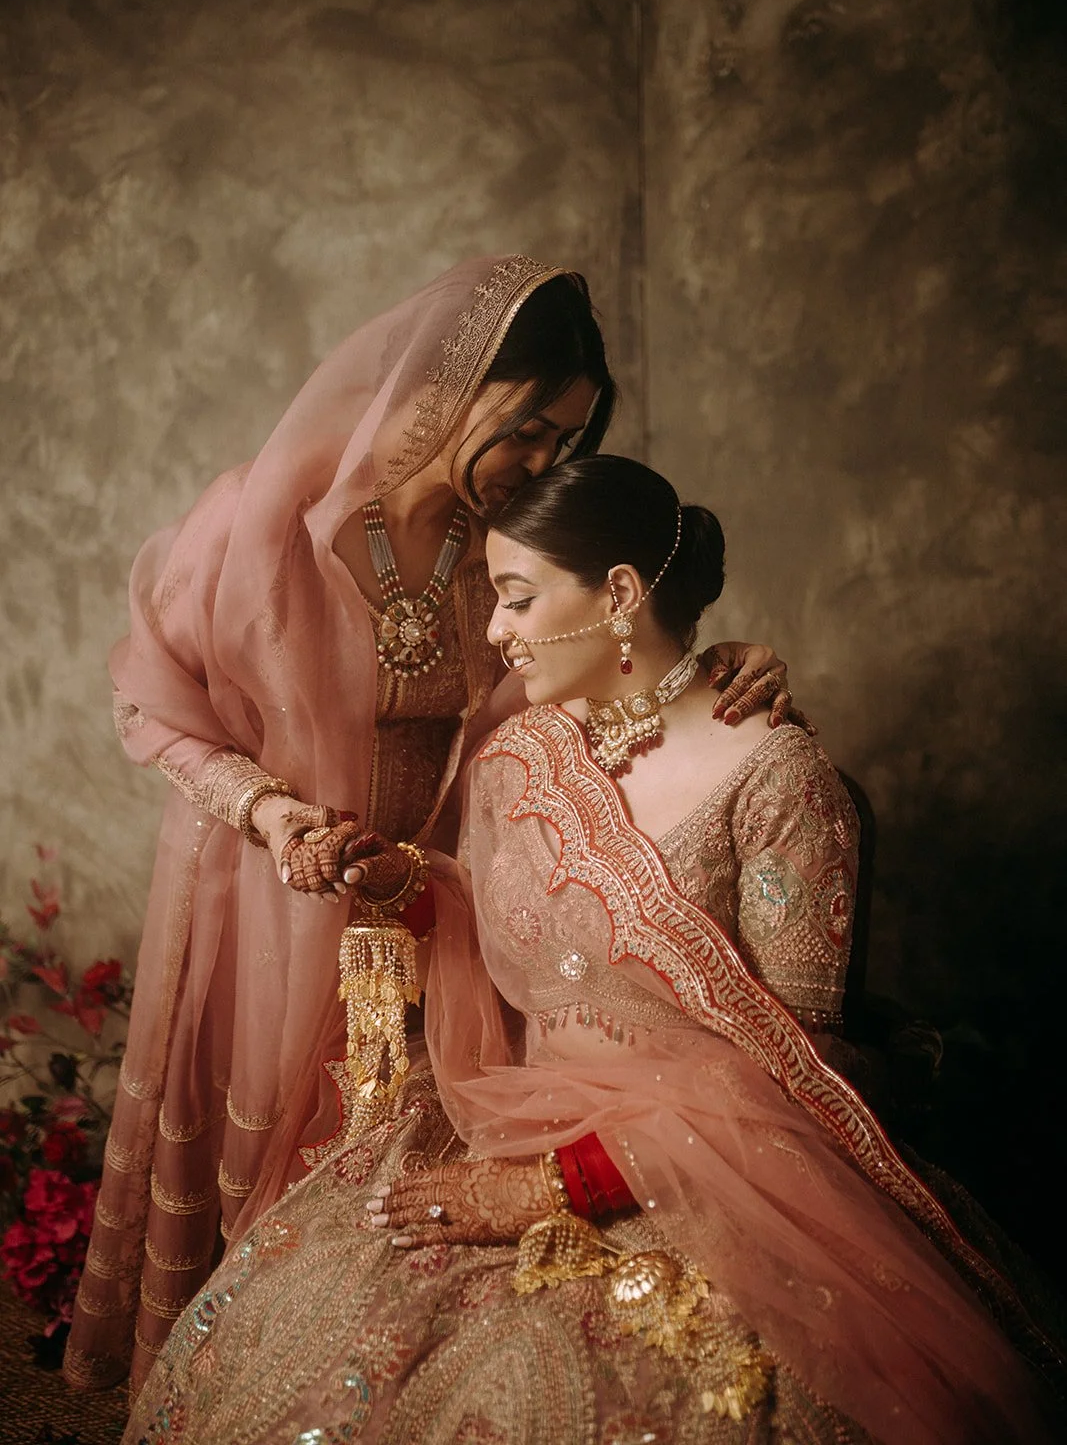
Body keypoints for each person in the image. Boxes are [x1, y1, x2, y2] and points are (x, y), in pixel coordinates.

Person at [121, 456, 1060, 1445]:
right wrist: (400, 884)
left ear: (615, 594)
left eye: (517, 598)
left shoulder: (777, 777)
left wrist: (564, 1184)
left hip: (714, 1175)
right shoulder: (520, 758)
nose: (494, 629)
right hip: (511, 1113)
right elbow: (505, 955)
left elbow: (796, 1071)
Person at [66, 258, 792, 1395]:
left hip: (442, 880)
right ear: (451, 383)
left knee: (388, 1160)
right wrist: (269, 814)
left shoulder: (499, 545)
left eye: (565, 439)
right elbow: (147, 706)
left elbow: (606, 613)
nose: (543, 462)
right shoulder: (262, 519)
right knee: (268, 1142)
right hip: (273, 879)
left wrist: (710, 661)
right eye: (530, 429)